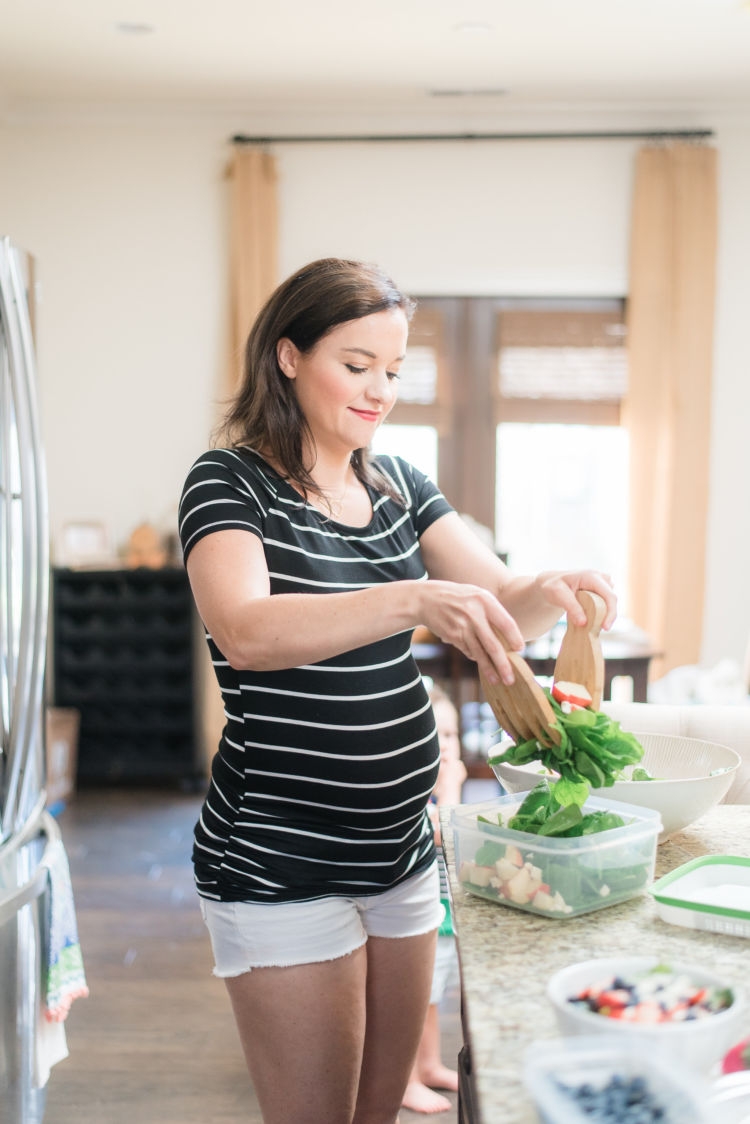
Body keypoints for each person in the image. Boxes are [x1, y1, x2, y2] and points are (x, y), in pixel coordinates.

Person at [177, 256, 617, 1124]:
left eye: (394, 371)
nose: (380, 390)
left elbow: (498, 603)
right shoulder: (228, 483)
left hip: (401, 852)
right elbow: (249, 632)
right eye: (356, 365)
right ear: (289, 356)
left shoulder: (399, 484)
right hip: (281, 855)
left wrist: (555, 587)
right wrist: (413, 598)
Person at [402, 684, 465, 1115]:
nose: (444, 746)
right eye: (434, 736)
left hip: (440, 922)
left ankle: (429, 1065)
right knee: (408, 1004)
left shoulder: (436, 795)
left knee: (431, 999)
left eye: (451, 736)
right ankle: (402, 1081)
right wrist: (453, 791)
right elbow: (444, 834)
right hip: (415, 923)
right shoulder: (416, 800)